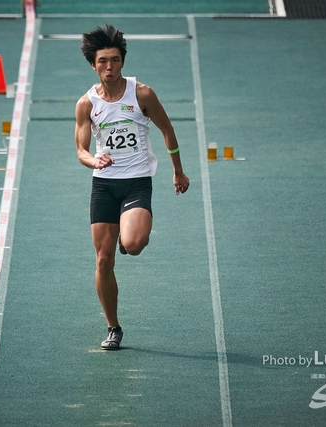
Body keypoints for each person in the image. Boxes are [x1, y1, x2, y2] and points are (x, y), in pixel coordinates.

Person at [74, 24, 190, 350]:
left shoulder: (142, 94)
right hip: (104, 186)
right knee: (102, 261)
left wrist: (178, 172)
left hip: (137, 182)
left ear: (122, 61)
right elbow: (81, 149)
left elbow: (167, 131)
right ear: (93, 65)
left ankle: (128, 237)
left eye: (114, 60)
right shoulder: (86, 104)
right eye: (102, 62)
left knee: (135, 243)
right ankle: (113, 327)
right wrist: (92, 161)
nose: (109, 67)